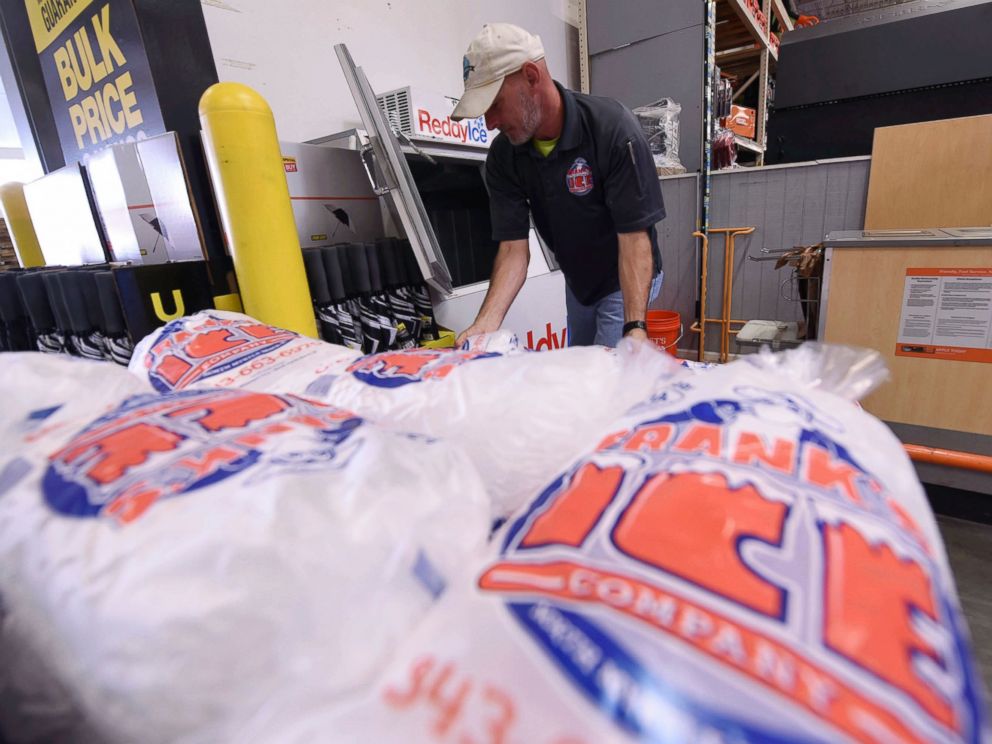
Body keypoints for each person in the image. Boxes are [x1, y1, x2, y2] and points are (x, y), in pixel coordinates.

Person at [451, 23, 666, 347]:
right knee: (576, 373)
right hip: (579, 282)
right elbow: (513, 250)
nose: (490, 123)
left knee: (607, 379)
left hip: (623, 275)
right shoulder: (504, 157)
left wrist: (634, 326)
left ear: (531, 76)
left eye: (494, 104)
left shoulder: (611, 130)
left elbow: (634, 238)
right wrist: (486, 323)